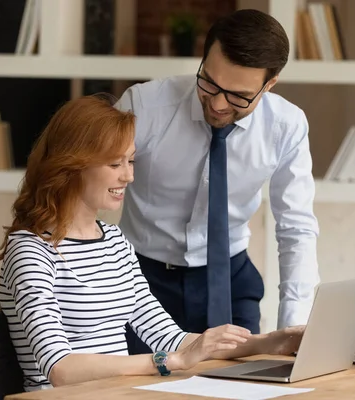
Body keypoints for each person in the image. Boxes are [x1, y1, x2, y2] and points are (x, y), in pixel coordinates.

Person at [0, 94, 304, 392]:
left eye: (131, 161)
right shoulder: (30, 250)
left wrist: (271, 342)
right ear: (72, 166)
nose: (128, 177)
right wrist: (170, 362)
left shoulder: (114, 242)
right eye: (115, 164)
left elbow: (170, 338)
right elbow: (60, 367)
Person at [115, 9, 320, 356]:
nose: (219, 104)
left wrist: (293, 330)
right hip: (141, 282)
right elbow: (84, 184)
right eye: (209, 83)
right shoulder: (144, 107)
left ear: (269, 85)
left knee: (235, 388)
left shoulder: (286, 125)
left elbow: (296, 228)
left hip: (230, 279)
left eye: (239, 96)